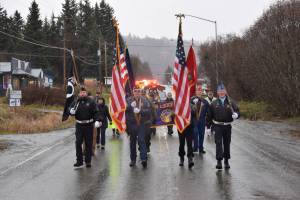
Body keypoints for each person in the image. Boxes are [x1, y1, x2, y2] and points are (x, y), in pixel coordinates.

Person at [207, 83, 240, 169]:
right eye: (219, 91)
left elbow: (237, 111)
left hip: (227, 126)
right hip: (217, 126)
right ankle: (219, 161)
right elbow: (209, 116)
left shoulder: (231, 102)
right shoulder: (214, 103)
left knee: (226, 143)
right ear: (217, 92)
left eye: (223, 91)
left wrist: (237, 115)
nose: (221, 92)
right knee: (218, 143)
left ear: (225, 92)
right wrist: (208, 127)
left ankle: (226, 161)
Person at [70, 87, 101, 168]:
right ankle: (79, 161)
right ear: (79, 93)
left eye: (84, 92)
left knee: (88, 143)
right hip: (79, 125)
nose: (83, 93)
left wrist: (97, 120)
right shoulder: (76, 101)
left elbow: (96, 112)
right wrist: (70, 111)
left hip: (88, 125)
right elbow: (69, 108)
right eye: (81, 92)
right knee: (78, 142)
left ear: (86, 93)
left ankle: (88, 161)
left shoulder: (91, 102)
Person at [125, 87, 152, 168]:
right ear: (133, 92)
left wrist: (140, 111)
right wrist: (130, 106)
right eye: (135, 91)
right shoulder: (128, 100)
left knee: (141, 140)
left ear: (141, 92)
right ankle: (133, 160)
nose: (137, 93)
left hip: (141, 124)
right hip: (132, 124)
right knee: (132, 142)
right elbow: (124, 110)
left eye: (138, 91)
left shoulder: (144, 100)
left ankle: (144, 159)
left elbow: (148, 111)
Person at [191, 88, 209, 154]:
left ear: (202, 92)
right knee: (195, 133)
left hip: (202, 120)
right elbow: (188, 109)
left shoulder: (205, 101)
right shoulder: (192, 100)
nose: (199, 92)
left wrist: (208, 121)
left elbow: (208, 111)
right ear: (196, 92)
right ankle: (195, 147)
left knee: (202, 134)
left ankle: (201, 148)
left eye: (200, 91)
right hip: (194, 119)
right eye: (198, 91)